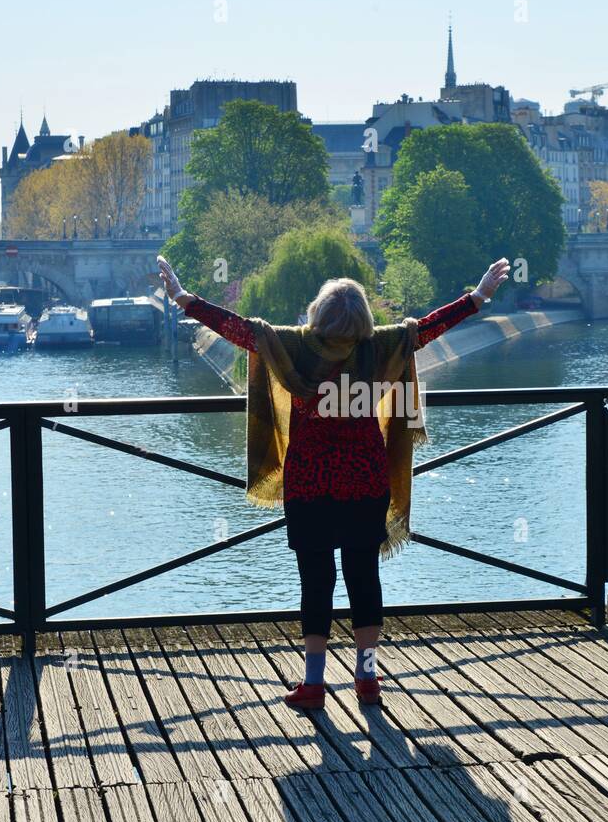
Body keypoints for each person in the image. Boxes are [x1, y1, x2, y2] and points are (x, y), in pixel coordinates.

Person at [158, 254, 510, 710]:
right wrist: (478, 297)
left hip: (309, 486)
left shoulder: (294, 347)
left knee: (315, 580)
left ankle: (314, 683)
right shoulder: (380, 348)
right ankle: (367, 678)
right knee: (364, 577)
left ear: (317, 314)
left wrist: (184, 298)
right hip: (365, 479)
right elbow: (425, 329)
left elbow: (238, 328)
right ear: (363, 316)